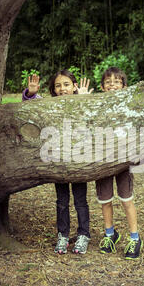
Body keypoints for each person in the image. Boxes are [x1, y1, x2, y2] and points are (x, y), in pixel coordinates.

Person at [22, 70, 93, 254]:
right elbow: (32, 107)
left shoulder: (81, 101)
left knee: (80, 200)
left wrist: (83, 99)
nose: (63, 89)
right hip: (59, 162)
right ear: (53, 89)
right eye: (58, 85)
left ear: (74, 86)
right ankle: (63, 235)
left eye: (67, 84)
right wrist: (30, 93)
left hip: (78, 160)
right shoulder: (50, 104)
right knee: (62, 201)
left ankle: (83, 234)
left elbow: (91, 118)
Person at [96, 67, 143, 260]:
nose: (112, 85)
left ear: (124, 86)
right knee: (105, 200)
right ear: (102, 87)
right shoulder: (97, 105)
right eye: (108, 82)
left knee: (126, 199)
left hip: (123, 161)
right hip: (103, 160)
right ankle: (110, 234)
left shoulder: (129, 106)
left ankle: (135, 238)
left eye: (117, 81)